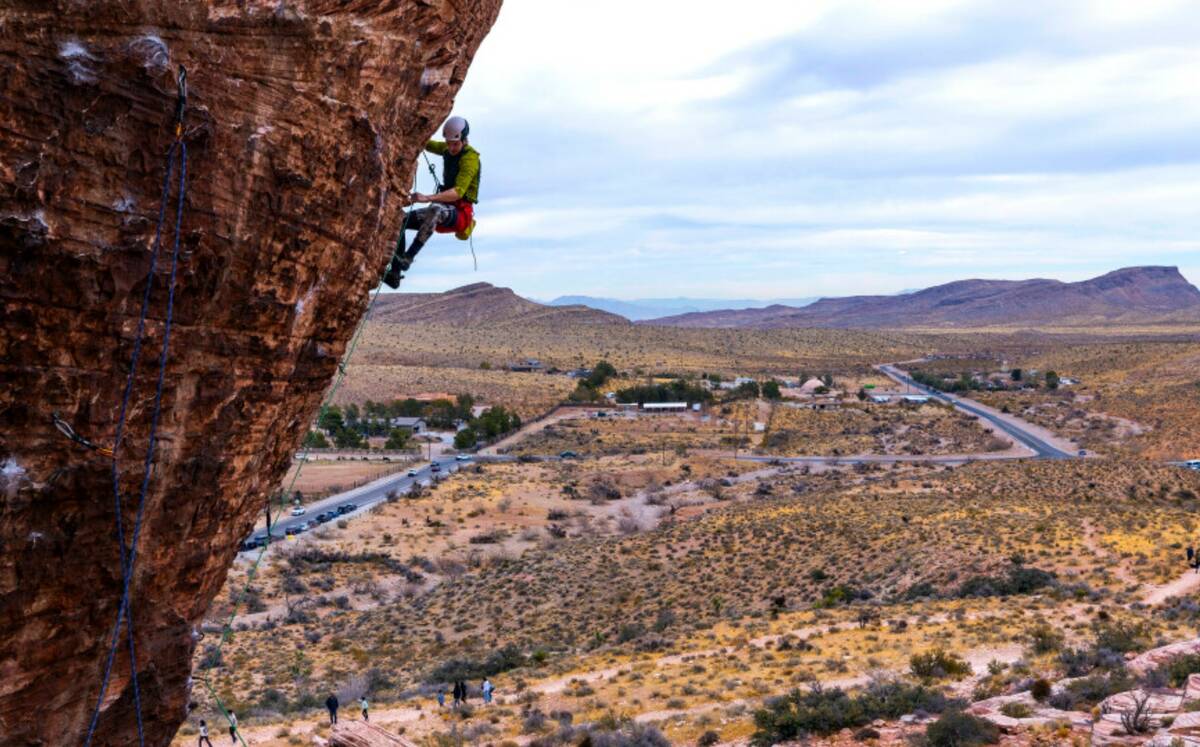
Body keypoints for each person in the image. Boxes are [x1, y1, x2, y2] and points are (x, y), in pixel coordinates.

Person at [384, 115, 480, 288]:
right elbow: (426, 144)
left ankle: (408, 257)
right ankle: (395, 273)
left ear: (464, 140)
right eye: (448, 143)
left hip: (460, 214)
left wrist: (426, 197)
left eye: (455, 144)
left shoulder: (470, 159)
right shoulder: (446, 148)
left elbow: (458, 192)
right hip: (443, 209)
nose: (451, 147)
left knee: (434, 208)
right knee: (400, 220)